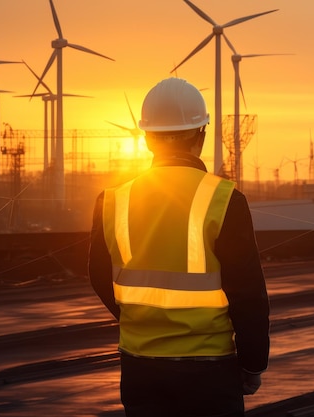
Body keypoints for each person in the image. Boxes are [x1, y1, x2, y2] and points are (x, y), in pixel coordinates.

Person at [88, 77, 270, 417]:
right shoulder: (225, 199)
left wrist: (139, 321)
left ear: (145, 138)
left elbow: (99, 277)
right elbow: (248, 294)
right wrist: (253, 363)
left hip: (140, 367)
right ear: (200, 135)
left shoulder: (112, 200)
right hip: (210, 368)